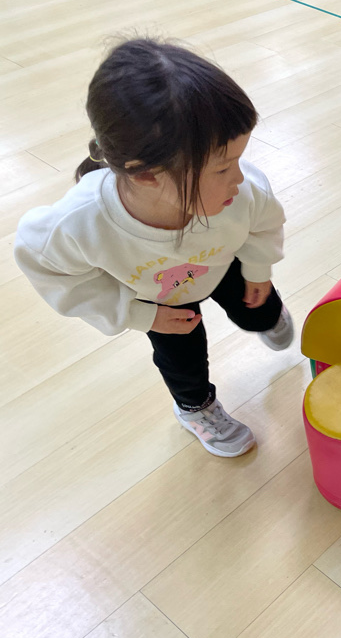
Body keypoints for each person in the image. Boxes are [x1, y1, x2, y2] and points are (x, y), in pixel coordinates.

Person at [15, 39, 290, 456]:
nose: (239, 177)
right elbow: (46, 265)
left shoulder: (242, 192)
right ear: (145, 175)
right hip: (161, 299)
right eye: (222, 168)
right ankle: (195, 409)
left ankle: (266, 318)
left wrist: (259, 268)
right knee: (182, 361)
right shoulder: (79, 223)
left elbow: (264, 225)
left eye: (238, 160)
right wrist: (137, 313)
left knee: (260, 306)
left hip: (222, 262)